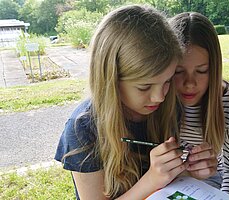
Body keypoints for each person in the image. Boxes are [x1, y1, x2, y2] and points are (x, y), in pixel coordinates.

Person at [55, 5, 187, 199]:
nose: (160, 96)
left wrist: (190, 169)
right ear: (110, 80)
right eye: (144, 87)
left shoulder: (168, 107)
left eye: (167, 81)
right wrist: (151, 180)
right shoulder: (83, 127)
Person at [170, 12, 229, 194]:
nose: (190, 83)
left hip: (210, 179)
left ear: (214, 68)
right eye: (178, 71)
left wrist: (225, 197)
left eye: (202, 70)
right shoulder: (156, 98)